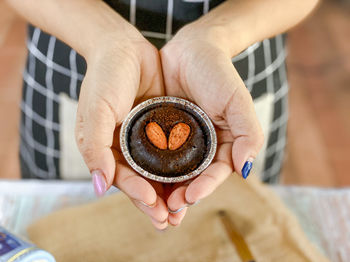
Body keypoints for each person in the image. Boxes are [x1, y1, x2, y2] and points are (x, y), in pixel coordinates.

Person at [6, 0, 319, 230]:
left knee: (234, 228)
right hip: (79, 61)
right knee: (65, 230)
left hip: (232, 74)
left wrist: (217, 36)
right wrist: (105, 39)